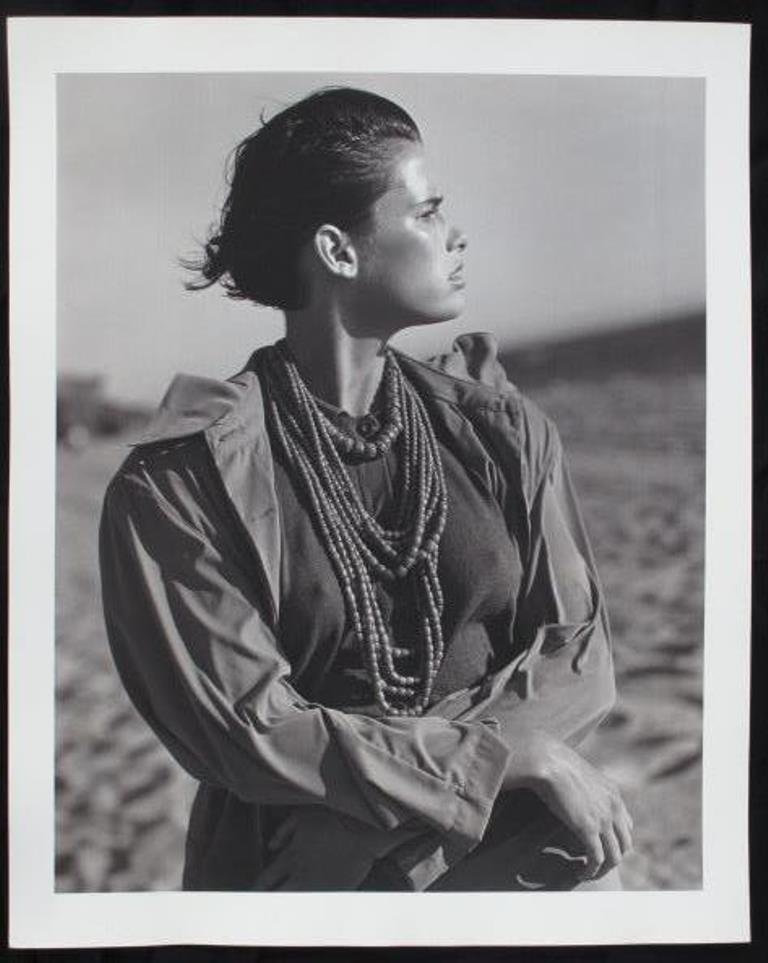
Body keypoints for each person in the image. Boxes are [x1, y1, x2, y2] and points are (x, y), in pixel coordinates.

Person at [99, 87, 632, 892]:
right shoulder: (178, 487)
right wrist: (497, 757)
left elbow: (579, 654)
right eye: (427, 212)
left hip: (513, 853)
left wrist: (453, 785)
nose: (456, 234)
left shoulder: (501, 429)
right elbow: (246, 730)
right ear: (338, 251)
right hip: (315, 890)